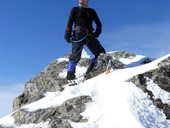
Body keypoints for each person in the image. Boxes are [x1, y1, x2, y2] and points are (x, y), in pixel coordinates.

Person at [64, 0, 106, 80]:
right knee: (75, 57)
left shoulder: (92, 11)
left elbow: (99, 24)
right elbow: (70, 23)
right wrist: (67, 34)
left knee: (101, 53)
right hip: (78, 34)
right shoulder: (75, 9)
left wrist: (96, 33)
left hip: (89, 35)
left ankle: (90, 72)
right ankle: (70, 78)